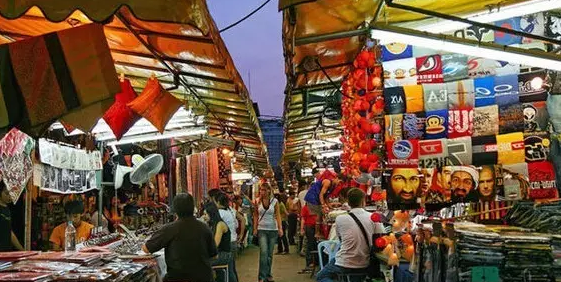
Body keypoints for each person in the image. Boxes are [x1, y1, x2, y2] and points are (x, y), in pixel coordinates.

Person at [143, 193, 217, 282]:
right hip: (204, 277)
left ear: (175, 210)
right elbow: (214, 255)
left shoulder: (169, 229)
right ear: (192, 207)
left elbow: (146, 249)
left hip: (178, 278)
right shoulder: (204, 227)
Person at [316, 189, 381, 282]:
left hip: (343, 262)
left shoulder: (340, 219)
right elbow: (380, 238)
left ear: (348, 203)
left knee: (321, 276)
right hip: (364, 263)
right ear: (363, 201)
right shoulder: (374, 217)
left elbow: (341, 239)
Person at [253, 183, 283, 282]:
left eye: (264, 190)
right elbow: (256, 216)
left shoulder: (275, 201)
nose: (262, 192)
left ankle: (268, 275)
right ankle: (261, 277)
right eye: (261, 190)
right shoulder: (257, 201)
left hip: (273, 230)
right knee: (264, 253)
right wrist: (255, 228)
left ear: (269, 191)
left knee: (269, 255)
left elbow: (278, 215)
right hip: (262, 229)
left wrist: (280, 228)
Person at [202, 201, 232, 282]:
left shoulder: (220, 224)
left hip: (223, 255)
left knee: (200, 263)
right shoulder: (212, 224)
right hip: (217, 254)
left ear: (211, 213)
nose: (203, 217)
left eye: (205, 214)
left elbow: (215, 245)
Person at [215, 192, 240, 282]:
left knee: (229, 270)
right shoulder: (229, 211)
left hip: (228, 243)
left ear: (217, 202)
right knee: (232, 269)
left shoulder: (220, 213)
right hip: (233, 241)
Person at [0, 180, 23, 251]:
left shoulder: (7, 209)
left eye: (11, 194)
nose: (9, 197)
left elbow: (9, 232)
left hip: (6, 251)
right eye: (7, 193)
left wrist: (22, 250)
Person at [299, 202, 317, 274]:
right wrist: (302, 229)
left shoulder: (315, 207)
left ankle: (314, 262)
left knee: (314, 245)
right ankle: (309, 263)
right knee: (310, 244)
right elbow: (303, 219)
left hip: (316, 227)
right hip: (309, 227)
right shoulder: (305, 208)